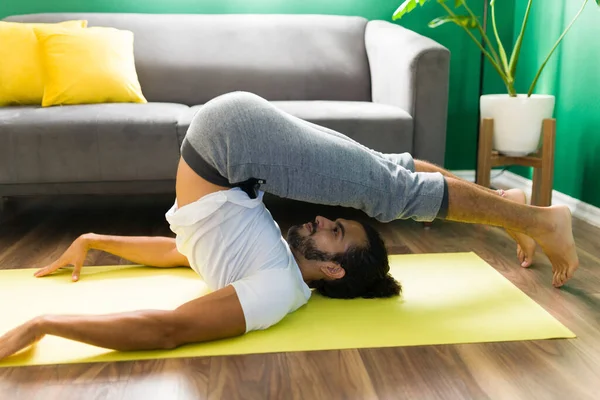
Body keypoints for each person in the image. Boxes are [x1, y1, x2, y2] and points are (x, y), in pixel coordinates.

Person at [0, 92, 578, 360]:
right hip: (230, 141)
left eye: (335, 235)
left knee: (386, 182)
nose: (326, 221)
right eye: (337, 225)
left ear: (330, 269)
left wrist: (52, 315)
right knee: (386, 184)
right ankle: (517, 214)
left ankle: (526, 216)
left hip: (230, 138)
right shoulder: (271, 263)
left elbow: (171, 308)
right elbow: (180, 295)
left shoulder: (275, 287)